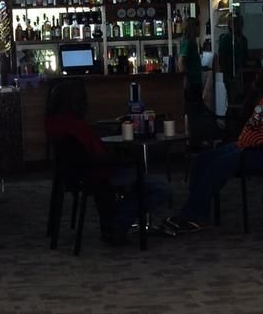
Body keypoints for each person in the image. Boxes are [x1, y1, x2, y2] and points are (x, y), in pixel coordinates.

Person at [164, 56, 263, 233]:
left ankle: (191, 215)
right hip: (243, 146)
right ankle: (198, 213)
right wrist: (255, 88)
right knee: (201, 161)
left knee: (219, 165)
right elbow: (243, 114)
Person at [44, 78, 169, 242]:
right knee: (159, 187)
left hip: (73, 174)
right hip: (97, 172)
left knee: (138, 184)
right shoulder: (77, 126)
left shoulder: (53, 124)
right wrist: (121, 155)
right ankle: (118, 222)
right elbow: (99, 153)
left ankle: (114, 219)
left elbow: (87, 149)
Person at [179, 16, 208, 140]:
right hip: (192, 82)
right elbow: (181, 62)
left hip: (194, 80)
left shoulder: (192, 43)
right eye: (197, 26)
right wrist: (186, 79)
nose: (199, 29)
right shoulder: (188, 43)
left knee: (195, 111)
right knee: (194, 111)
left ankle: (196, 138)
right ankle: (195, 139)